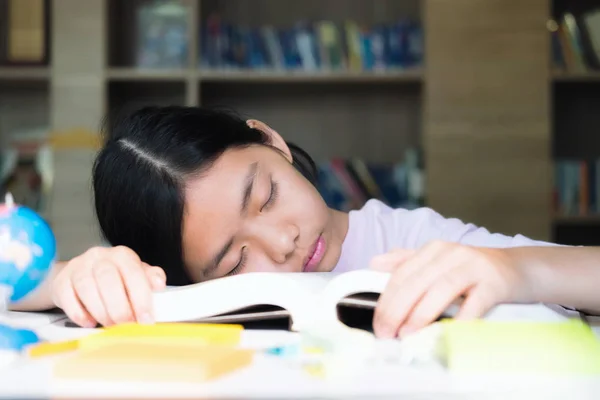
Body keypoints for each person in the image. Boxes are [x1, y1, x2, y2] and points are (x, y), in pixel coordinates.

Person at [9, 106, 600, 338]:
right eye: (235, 262)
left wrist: (511, 270)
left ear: (270, 140)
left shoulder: (411, 237)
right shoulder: (190, 301)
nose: (282, 242)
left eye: (264, 195)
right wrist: (66, 277)